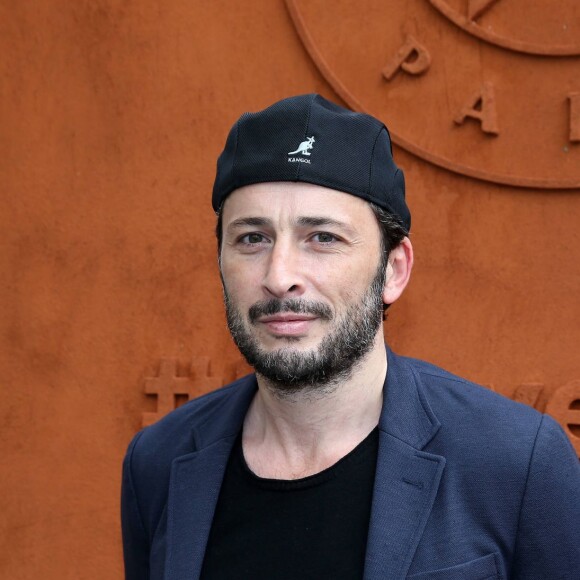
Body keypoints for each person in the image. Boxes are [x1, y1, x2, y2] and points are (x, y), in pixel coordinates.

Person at [121, 94, 580, 580]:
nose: (279, 276)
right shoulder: (158, 463)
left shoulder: (516, 463)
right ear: (219, 262)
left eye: (323, 237)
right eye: (252, 238)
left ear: (393, 269)